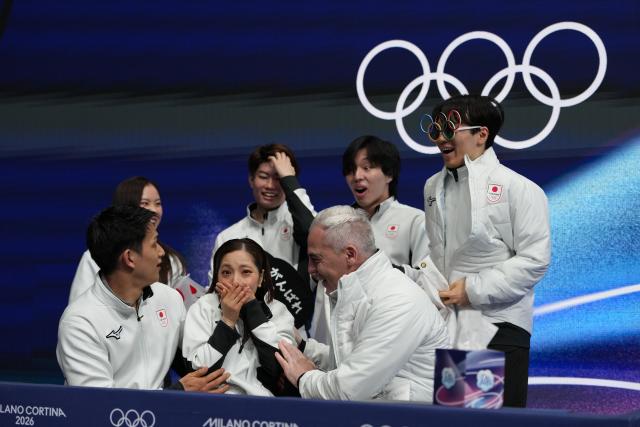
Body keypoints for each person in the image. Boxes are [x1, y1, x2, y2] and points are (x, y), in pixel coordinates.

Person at [421, 94, 551, 407]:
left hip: (501, 325)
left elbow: (535, 260)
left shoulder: (518, 188)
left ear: (482, 134)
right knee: (458, 423)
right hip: (453, 325)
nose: (441, 137)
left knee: (495, 425)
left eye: (451, 127)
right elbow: (439, 255)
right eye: (436, 128)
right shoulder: (432, 188)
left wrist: (474, 289)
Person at [275, 206, 449, 402]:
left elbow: (349, 390)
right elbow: (350, 362)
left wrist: (303, 378)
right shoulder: (361, 292)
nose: (310, 270)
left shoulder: (397, 300)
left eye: (316, 259)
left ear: (350, 255)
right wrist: (304, 348)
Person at [57, 205, 230, 392]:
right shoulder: (79, 324)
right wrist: (178, 394)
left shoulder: (169, 299)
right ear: (130, 258)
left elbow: (197, 364)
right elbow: (101, 408)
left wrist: (229, 319)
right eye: (155, 244)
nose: (162, 253)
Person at [183, 238, 296, 396]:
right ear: (217, 276)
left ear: (261, 277)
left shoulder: (278, 310)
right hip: (213, 404)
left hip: (264, 407)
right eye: (226, 273)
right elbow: (197, 370)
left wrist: (252, 310)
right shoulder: (203, 307)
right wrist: (228, 321)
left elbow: (280, 369)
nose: (235, 281)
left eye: (246, 272)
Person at [208, 144, 316, 286]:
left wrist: (289, 178)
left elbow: (313, 233)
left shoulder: (300, 223)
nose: (270, 185)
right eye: (263, 177)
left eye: (279, 178)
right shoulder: (228, 236)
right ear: (251, 180)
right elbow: (215, 289)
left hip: (295, 307)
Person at [68, 176, 188, 302]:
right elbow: (80, 304)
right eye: (145, 203)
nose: (154, 210)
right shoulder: (94, 258)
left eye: (158, 203)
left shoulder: (171, 260)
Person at [343, 135, 428, 265]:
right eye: (351, 170)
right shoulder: (338, 222)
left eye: (366, 168)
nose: (357, 176)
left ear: (389, 174)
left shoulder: (415, 220)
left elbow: (427, 276)